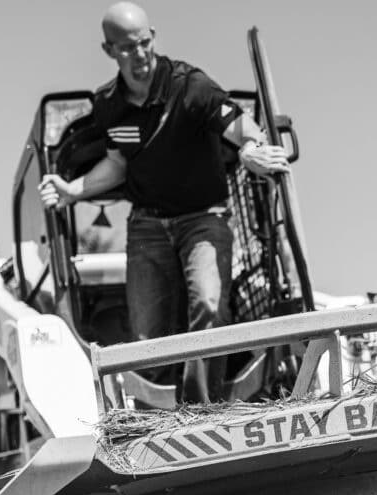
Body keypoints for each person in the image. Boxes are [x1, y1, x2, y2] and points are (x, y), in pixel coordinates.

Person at [40, 2, 290, 403]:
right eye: (126, 48)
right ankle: (151, 420)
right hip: (147, 227)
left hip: (204, 218)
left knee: (209, 306)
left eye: (143, 43)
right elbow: (118, 165)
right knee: (146, 340)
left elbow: (244, 130)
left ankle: (202, 413)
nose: (138, 55)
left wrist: (251, 151)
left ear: (153, 36)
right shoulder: (109, 104)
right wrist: (73, 190)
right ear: (109, 51)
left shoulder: (191, 86)